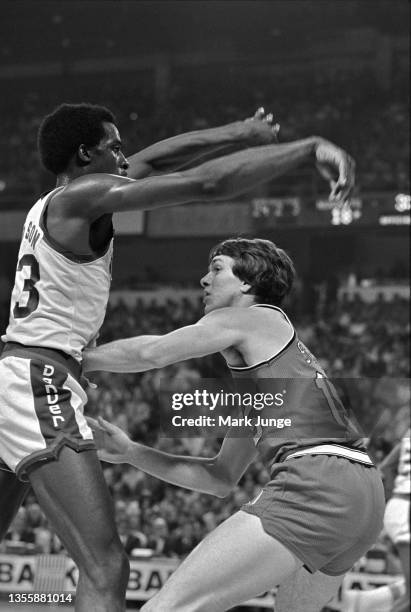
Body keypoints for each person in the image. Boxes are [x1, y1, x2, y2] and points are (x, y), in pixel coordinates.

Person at [0, 100, 355, 612]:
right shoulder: (84, 196)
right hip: (38, 380)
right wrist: (306, 149)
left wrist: (242, 132)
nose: (126, 158)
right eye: (114, 148)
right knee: (107, 567)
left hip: (23, 372)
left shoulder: (64, 200)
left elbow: (162, 158)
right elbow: (203, 184)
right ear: (85, 154)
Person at [84, 237, 385, 612]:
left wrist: (77, 358)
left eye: (216, 268)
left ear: (247, 283)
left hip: (318, 481)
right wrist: (131, 452)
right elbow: (219, 478)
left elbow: (152, 352)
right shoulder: (263, 388)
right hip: (364, 496)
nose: (203, 280)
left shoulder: (252, 316)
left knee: (166, 608)